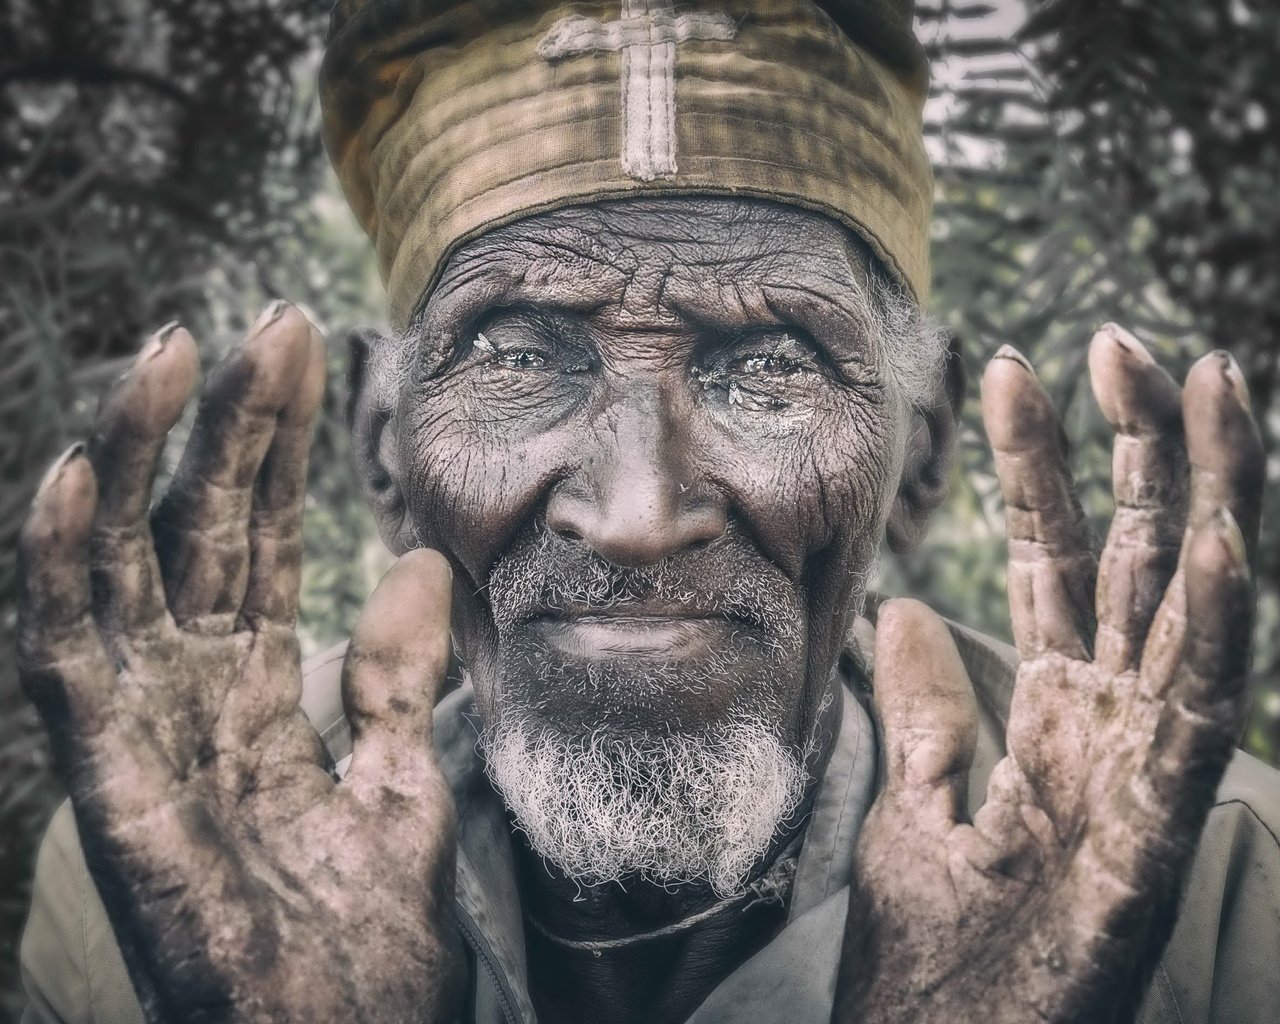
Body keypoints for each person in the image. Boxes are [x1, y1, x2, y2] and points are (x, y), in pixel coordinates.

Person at [15, 1, 1279, 1022]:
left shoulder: (1217, 887)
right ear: (380, 447)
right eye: (518, 357)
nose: (635, 512)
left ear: (923, 445)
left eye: (772, 365)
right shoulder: (183, 858)